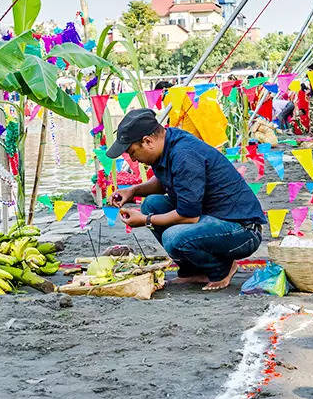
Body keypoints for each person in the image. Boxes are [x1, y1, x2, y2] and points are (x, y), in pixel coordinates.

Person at [109, 109, 264, 291]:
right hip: (212, 217)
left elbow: (188, 216)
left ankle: (221, 269)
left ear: (148, 141)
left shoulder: (184, 155)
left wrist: (145, 220)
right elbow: (162, 181)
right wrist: (132, 191)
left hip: (243, 231)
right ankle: (193, 271)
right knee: (151, 204)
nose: (132, 159)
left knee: (173, 237)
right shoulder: (168, 141)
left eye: (132, 152)